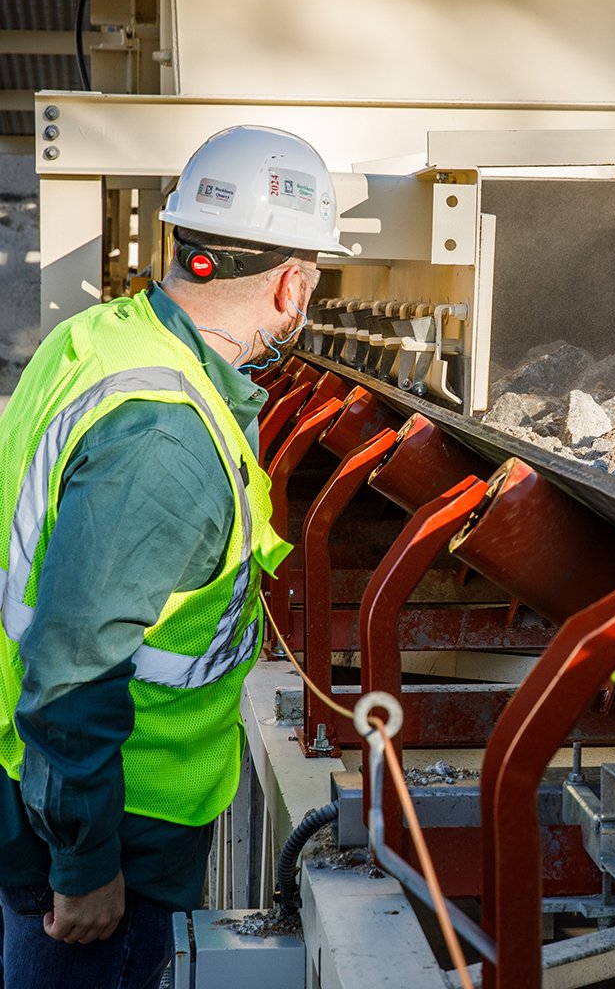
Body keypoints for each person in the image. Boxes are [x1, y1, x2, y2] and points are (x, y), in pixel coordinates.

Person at [0, 125, 350, 988]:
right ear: (291, 285)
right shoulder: (163, 433)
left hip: (44, 796)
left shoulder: (102, 339)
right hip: (106, 837)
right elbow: (74, 663)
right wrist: (85, 868)